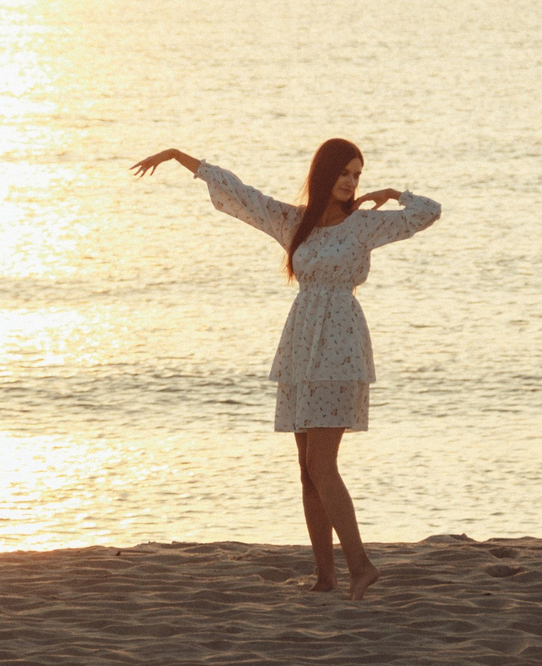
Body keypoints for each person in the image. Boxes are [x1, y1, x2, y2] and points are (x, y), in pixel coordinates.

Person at [130, 139, 441, 601]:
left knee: (322, 463)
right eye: (344, 173)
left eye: (357, 174)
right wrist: (181, 158)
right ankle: (325, 574)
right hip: (299, 346)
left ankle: (360, 565)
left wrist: (395, 193)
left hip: (341, 348)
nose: (352, 182)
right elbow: (242, 193)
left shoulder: (365, 225)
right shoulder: (295, 222)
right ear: (324, 174)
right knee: (305, 468)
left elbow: (428, 212)